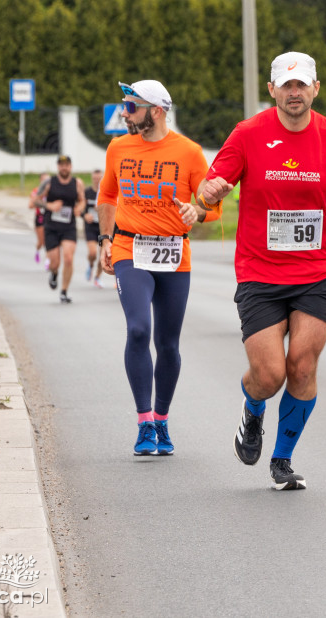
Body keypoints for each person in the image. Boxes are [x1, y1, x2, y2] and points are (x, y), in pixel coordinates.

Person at [199, 51, 326, 490]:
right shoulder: (248, 135)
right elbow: (208, 190)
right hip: (260, 273)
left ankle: (282, 461)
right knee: (269, 375)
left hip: (316, 271)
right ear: (272, 90)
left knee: (302, 366)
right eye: (287, 85)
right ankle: (253, 410)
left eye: (302, 85)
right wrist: (210, 190)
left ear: (316, 89)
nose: (294, 92)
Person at [97, 79, 221, 456]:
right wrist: (105, 239)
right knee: (138, 329)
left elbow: (213, 205)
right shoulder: (119, 147)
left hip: (172, 253)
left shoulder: (189, 152)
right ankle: (143, 422)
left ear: (156, 110)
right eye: (124, 105)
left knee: (167, 344)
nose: (124, 112)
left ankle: (162, 421)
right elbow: (106, 195)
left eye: (131, 106)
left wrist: (196, 211)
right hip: (129, 247)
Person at [35, 155, 85, 303]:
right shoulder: (49, 183)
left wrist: (79, 208)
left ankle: (64, 291)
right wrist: (50, 206)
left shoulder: (77, 183)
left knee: (68, 259)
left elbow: (82, 201)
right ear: (58, 167)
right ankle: (54, 273)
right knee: (55, 262)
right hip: (51, 227)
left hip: (69, 226)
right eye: (61, 165)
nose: (64, 167)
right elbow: (36, 200)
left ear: (70, 166)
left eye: (67, 165)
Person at [82, 169, 103, 287]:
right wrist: (85, 215)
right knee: (92, 253)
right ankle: (90, 265)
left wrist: (102, 209)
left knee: (102, 256)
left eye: (99, 179)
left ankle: (97, 277)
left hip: (102, 227)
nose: (97, 181)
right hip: (90, 226)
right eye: (94, 179)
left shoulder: (105, 192)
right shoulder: (87, 192)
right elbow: (80, 208)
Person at [29, 173, 49, 265]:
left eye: (48, 180)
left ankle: (48, 260)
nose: (46, 182)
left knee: (48, 241)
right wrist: (39, 202)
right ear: (40, 181)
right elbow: (30, 205)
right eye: (44, 180)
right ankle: (37, 250)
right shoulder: (36, 191)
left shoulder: (52, 191)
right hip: (40, 217)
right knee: (41, 242)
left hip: (49, 218)